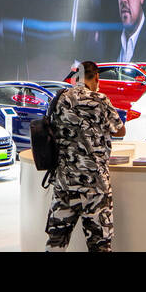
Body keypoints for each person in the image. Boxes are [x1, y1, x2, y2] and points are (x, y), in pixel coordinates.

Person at [45, 60, 125, 252]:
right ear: (96, 77)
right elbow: (120, 131)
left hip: (65, 183)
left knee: (56, 243)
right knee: (100, 245)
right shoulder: (100, 100)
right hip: (95, 186)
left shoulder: (59, 100)